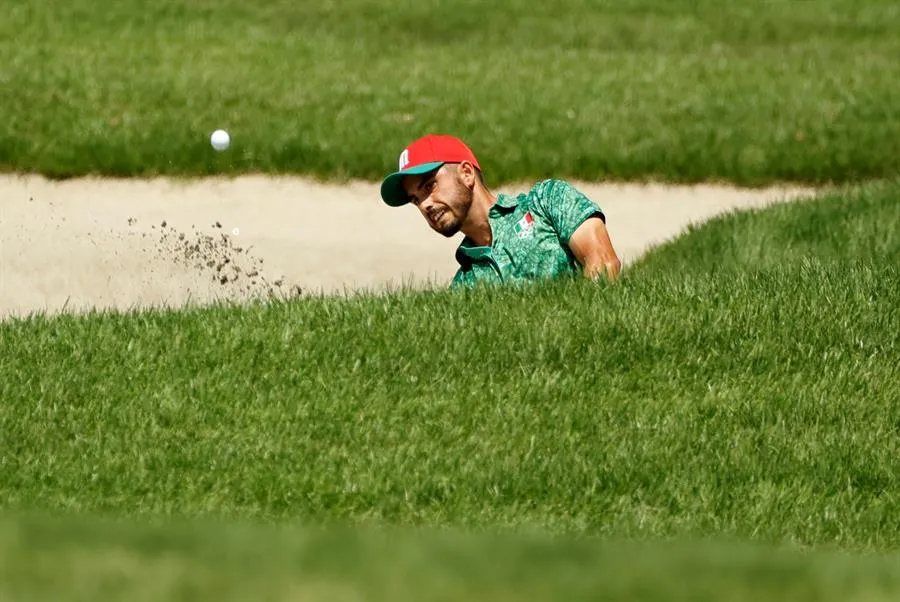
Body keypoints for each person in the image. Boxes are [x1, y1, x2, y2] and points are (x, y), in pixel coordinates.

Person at [379, 134, 621, 288]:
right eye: (415, 200)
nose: (425, 205)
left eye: (430, 186)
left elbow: (603, 263)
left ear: (466, 173)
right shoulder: (465, 285)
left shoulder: (547, 201)